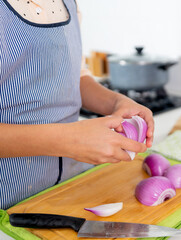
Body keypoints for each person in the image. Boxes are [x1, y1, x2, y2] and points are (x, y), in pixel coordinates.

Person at [0, 0, 154, 209]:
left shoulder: (68, 4)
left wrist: (116, 102)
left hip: (67, 187)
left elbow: (74, 77)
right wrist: (68, 140)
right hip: (7, 197)